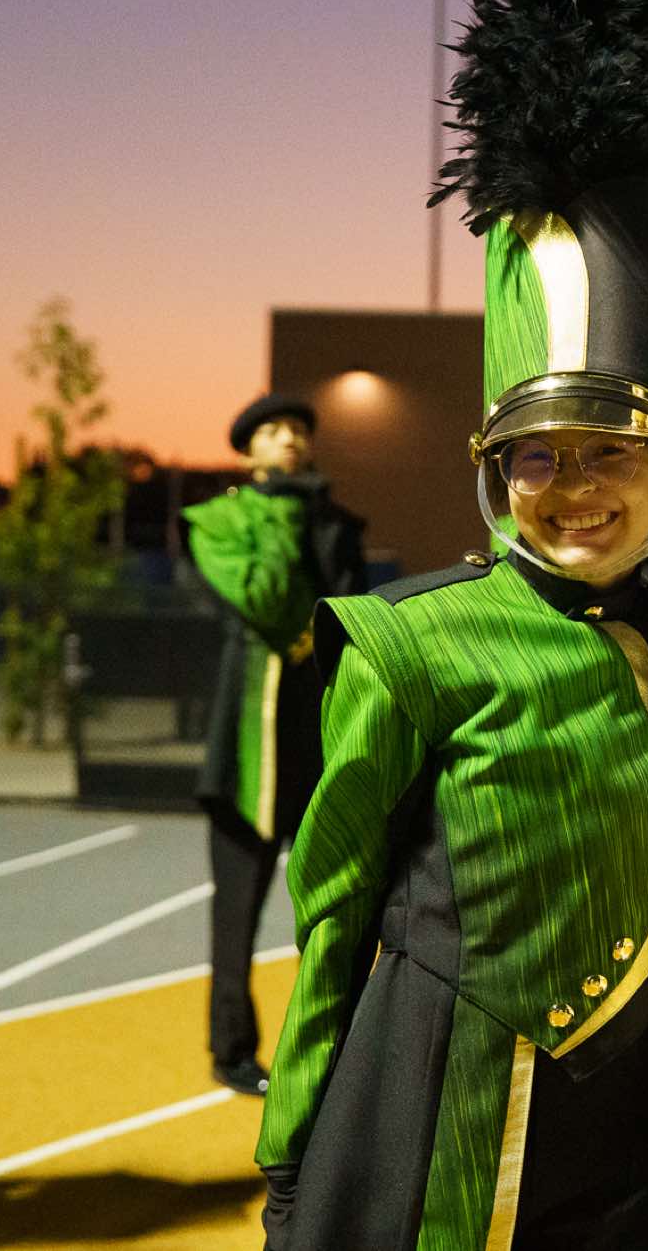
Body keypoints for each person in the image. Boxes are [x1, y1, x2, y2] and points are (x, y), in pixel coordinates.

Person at [254, 0, 648, 1248]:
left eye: (611, 453)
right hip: (429, 1110)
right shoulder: (408, 643)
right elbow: (334, 911)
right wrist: (292, 1152)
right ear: (491, 471)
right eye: (537, 457)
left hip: (633, 1127)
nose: (574, 487)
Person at [182, 393, 365, 1096]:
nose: (289, 438)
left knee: (334, 913)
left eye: (297, 429)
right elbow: (266, 597)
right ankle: (232, 1050)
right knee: (235, 914)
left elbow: (351, 616)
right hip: (246, 753)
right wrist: (290, 515)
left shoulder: (336, 520)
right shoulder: (218, 521)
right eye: (272, 430)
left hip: (320, 736)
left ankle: (329, 1049)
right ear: (247, 450)